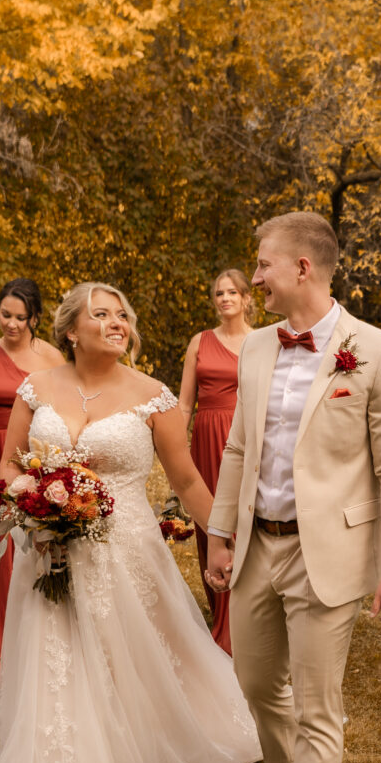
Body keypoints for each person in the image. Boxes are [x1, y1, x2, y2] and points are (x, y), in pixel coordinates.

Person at [0, 282, 261, 763]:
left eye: (122, 313)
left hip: (124, 551)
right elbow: (15, 463)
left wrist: (220, 541)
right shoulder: (36, 387)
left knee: (128, 658)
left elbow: (189, 482)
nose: (116, 322)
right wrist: (36, 500)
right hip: (46, 550)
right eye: (101, 314)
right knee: (57, 661)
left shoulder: (154, 396)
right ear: (71, 330)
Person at [205, 211, 381, 763]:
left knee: (320, 705)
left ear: (303, 268)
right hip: (256, 543)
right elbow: (239, 447)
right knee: (255, 678)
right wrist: (219, 531)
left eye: (263, 265)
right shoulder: (259, 346)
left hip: (327, 549)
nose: (254, 276)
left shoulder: (379, 351)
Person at [0, 279, 65, 697]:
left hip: (31, 459)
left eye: (21, 317)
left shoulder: (51, 358)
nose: (13, 324)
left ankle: (29, 656)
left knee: (27, 555)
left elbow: (61, 412)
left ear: (35, 318)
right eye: (6, 315)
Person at [177, 269, 255, 653]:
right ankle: (219, 608)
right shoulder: (199, 342)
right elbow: (184, 403)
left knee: (240, 522)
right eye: (219, 293)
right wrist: (173, 445)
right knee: (209, 523)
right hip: (205, 438)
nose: (225, 299)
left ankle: (241, 620)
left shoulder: (261, 342)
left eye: (232, 293)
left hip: (242, 438)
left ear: (245, 298)